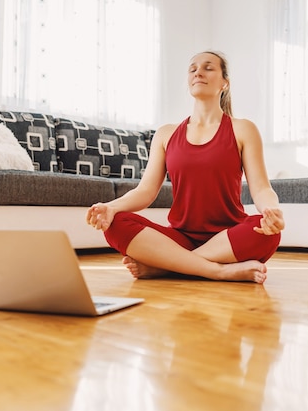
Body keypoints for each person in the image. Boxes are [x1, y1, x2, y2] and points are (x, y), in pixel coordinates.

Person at [86, 50, 284, 284]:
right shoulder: (165, 134)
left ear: (225, 83)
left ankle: (167, 267)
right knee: (115, 224)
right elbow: (145, 192)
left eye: (208, 67)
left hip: (228, 238)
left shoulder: (243, 129)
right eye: (193, 69)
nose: (198, 71)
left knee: (267, 234)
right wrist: (110, 207)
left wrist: (271, 212)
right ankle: (218, 271)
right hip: (180, 238)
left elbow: (261, 188)